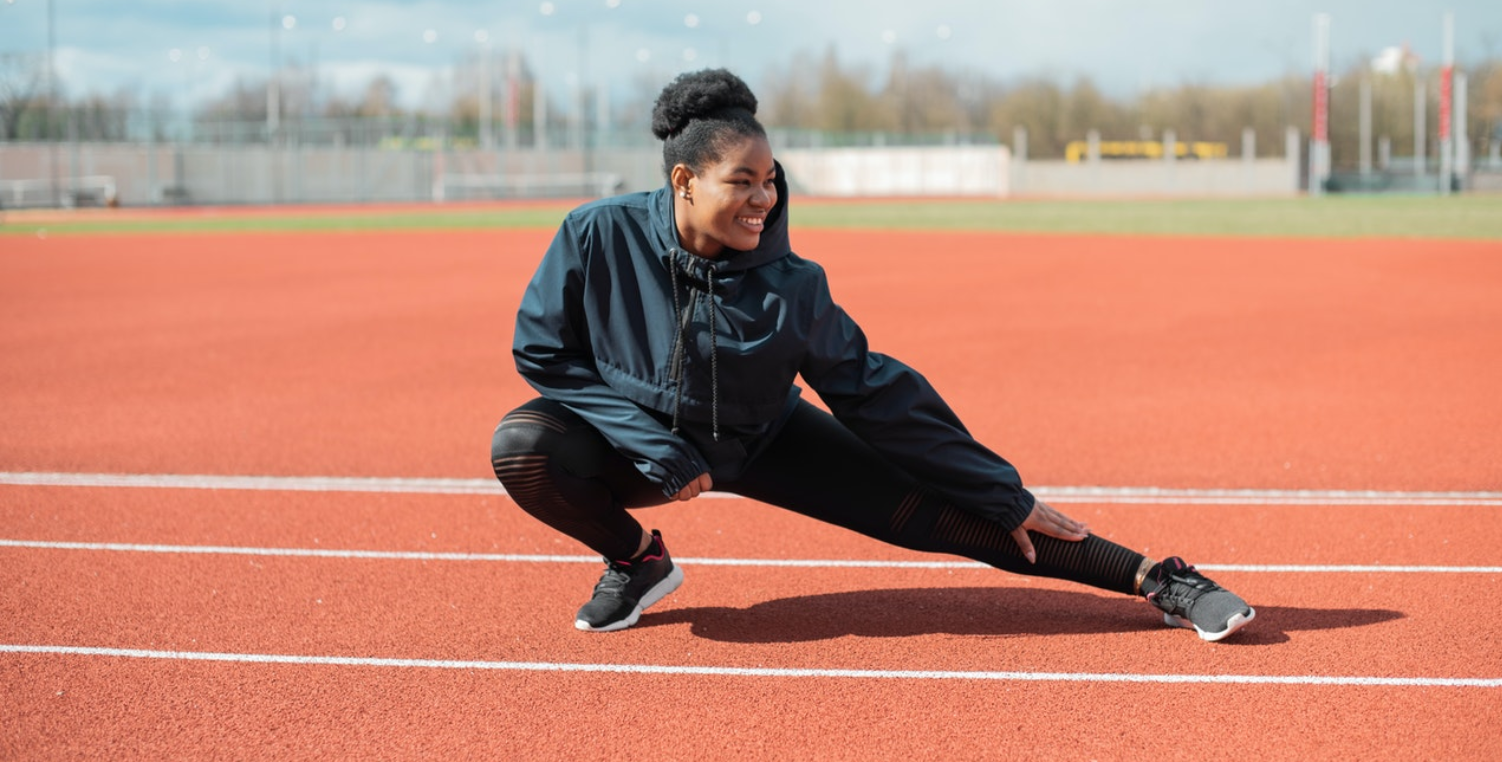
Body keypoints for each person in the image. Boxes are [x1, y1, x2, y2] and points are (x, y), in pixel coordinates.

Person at [491, 68, 1254, 641]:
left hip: (761, 438)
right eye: (742, 182)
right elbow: (544, 350)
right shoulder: (597, 234)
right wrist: (647, 439)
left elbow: (872, 391)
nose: (763, 200)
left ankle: (1160, 581)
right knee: (523, 447)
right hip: (646, 448)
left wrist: (1002, 492)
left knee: (959, 519)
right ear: (684, 181)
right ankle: (637, 561)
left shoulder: (793, 284)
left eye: (770, 181)